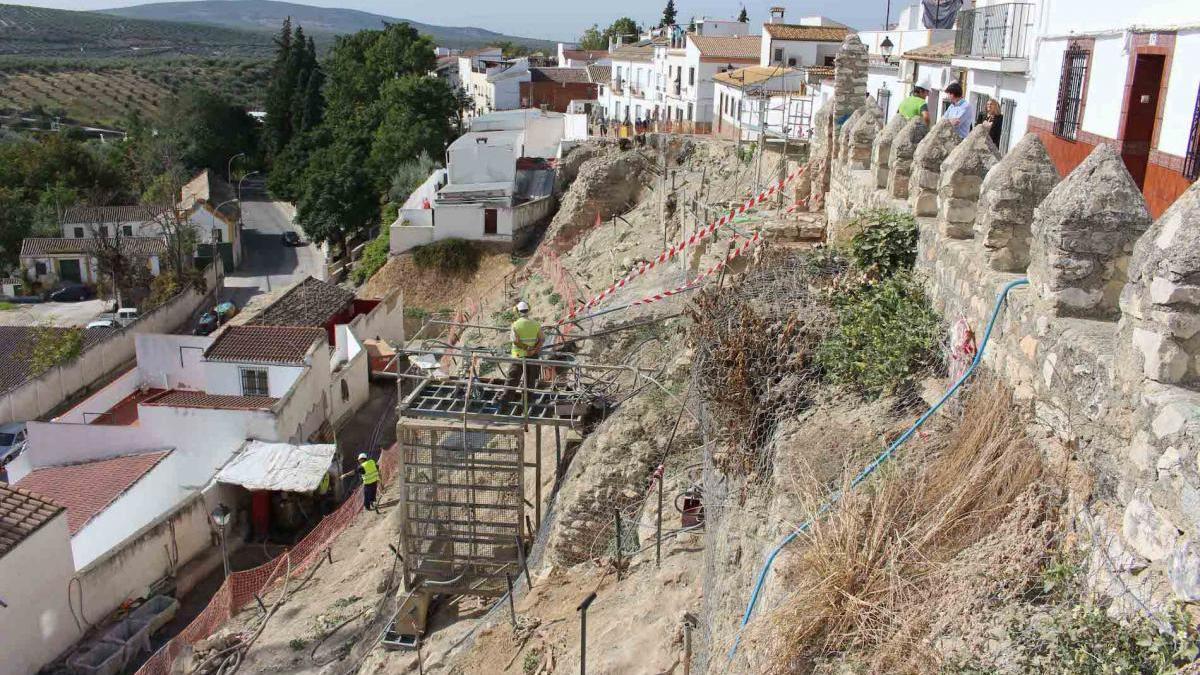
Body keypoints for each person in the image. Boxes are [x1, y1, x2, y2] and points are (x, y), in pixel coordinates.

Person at [504, 300, 544, 404]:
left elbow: (515, 341)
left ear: (517, 311)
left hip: (518, 356)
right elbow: (542, 339)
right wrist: (534, 350)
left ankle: (506, 400)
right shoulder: (535, 324)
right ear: (528, 310)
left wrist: (526, 349)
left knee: (512, 379)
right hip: (533, 356)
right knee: (530, 381)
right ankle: (526, 402)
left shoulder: (515, 325)